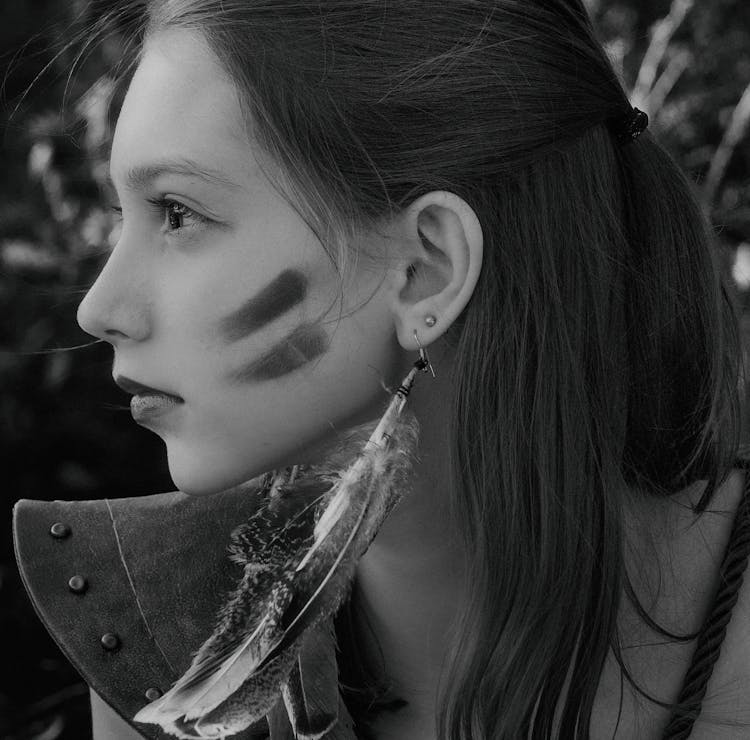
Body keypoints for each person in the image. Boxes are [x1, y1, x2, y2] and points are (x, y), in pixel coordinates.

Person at [12, 1, 750, 738]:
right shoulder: (161, 641)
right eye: (122, 215)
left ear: (425, 271)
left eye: (177, 213)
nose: (99, 307)